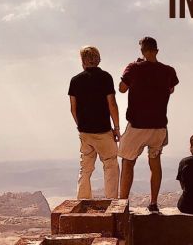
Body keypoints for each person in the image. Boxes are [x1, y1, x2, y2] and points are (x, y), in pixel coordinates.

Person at [118, 37, 179, 213]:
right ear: (157, 51)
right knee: (155, 163)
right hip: (159, 126)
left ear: (142, 51)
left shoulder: (134, 67)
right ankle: (153, 203)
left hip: (137, 125)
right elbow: (171, 89)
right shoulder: (168, 71)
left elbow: (122, 88)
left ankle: (123, 203)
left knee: (128, 162)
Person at [68, 46, 121, 199]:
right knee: (110, 165)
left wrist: (81, 126)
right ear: (98, 59)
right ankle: (112, 201)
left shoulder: (75, 80)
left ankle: (83, 200)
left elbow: (73, 109)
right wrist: (116, 128)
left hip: (85, 132)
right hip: (103, 130)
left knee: (85, 168)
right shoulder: (106, 77)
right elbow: (112, 104)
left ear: (83, 61)